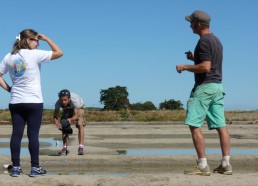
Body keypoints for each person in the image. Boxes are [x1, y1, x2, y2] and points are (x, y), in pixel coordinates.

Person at [0, 29, 63, 177]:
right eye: (36, 40)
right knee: (33, 135)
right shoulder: (35, 54)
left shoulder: (10, 56)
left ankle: (15, 167)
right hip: (34, 101)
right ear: (28, 40)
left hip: (16, 101)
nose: (38, 43)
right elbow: (59, 52)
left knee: (16, 135)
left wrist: (9, 88)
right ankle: (35, 167)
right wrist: (47, 38)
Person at [176, 10, 232, 176]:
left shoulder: (203, 42)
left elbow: (206, 67)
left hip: (204, 87)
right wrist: (195, 59)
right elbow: (210, 64)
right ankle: (226, 164)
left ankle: (202, 166)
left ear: (198, 25)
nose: (189, 25)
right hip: (217, 87)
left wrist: (184, 67)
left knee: (194, 125)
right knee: (221, 126)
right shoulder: (216, 41)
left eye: (191, 23)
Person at [53, 89, 86, 156]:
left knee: (80, 124)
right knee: (64, 124)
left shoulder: (75, 101)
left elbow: (76, 116)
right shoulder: (58, 103)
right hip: (67, 108)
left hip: (79, 107)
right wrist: (57, 123)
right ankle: (65, 148)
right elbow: (55, 116)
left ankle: (81, 147)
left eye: (65, 100)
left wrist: (70, 120)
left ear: (69, 99)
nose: (63, 102)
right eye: (61, 100)